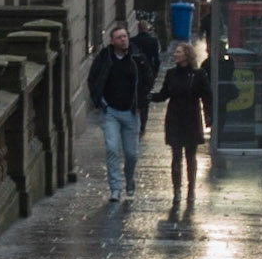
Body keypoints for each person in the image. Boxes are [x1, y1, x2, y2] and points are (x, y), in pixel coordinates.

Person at [87, 20, 151, 201]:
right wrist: (98, 101)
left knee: (132, 154)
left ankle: (129, 179)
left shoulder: (137, 57)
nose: (123, 40)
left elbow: (148, 79)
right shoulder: (105, 57)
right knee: (112, 149)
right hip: (111, 112)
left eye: (125, 36)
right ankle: (115, 188)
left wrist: (141, 101)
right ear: (112, 41)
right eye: (119, 38)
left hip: (131, 112)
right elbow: (92, 79)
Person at [151, 41, 213, 214]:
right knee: (176, 155)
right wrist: (148, 96)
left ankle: (191, 190)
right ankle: (177, 190)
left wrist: (210, 117)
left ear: (187, 55)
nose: (175, 54)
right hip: (174, 118)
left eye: (178, 52)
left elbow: (207, 95)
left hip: (191, 118)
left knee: (191, 156)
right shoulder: (171, 74)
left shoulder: (199, 74)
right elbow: (164, 94)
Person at [131, 16, 162, 135]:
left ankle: (135, 119)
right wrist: (154, 73)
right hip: (148, 73)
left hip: (135, 72)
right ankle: (143, 122)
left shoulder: (133, 40)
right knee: (146, 97)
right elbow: (157, 59)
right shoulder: (153, 41)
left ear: (138, 28)